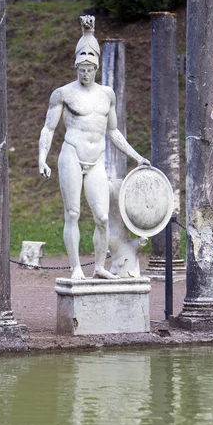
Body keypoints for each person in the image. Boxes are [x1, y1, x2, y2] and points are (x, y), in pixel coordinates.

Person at [39, 16, 150, 280]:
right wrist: (42, 158)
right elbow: (49, 128)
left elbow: (113, 131)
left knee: (101, 217)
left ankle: (99, 266)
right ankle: (76, 267)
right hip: (72, 156)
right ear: (76, 67)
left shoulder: (107, 95)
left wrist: (136, 156)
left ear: (96, 68)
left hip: (96, 160)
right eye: (81, 69)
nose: (85, 73)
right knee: (73, 213)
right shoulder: (63, 94)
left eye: (89, 69)